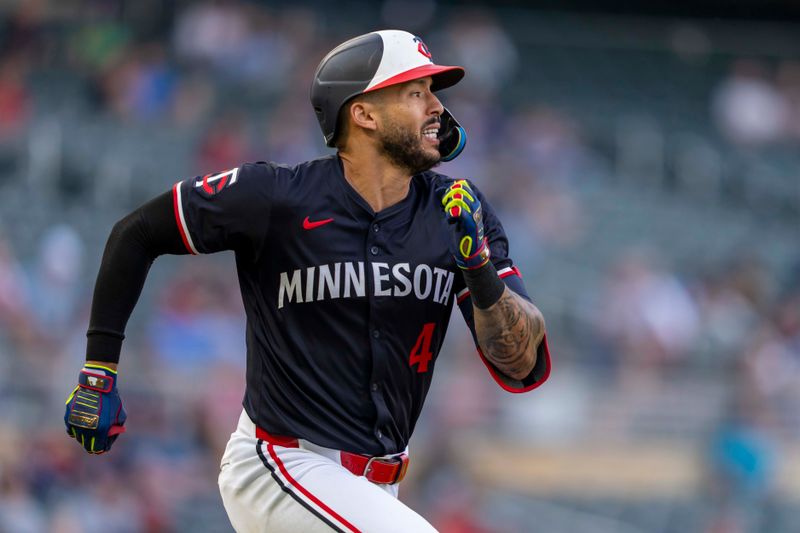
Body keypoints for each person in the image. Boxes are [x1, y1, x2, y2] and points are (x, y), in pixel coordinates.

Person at [64, 30, 552, 532]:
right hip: (281, 465)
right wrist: (99, 371)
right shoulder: (276, 196)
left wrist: (480, 268)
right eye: (416, 92)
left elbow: (520, 361)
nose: (437, 107)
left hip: (376, 484)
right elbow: (136, 233)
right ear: (363, 113)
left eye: (434, 91)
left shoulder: (458, 211)